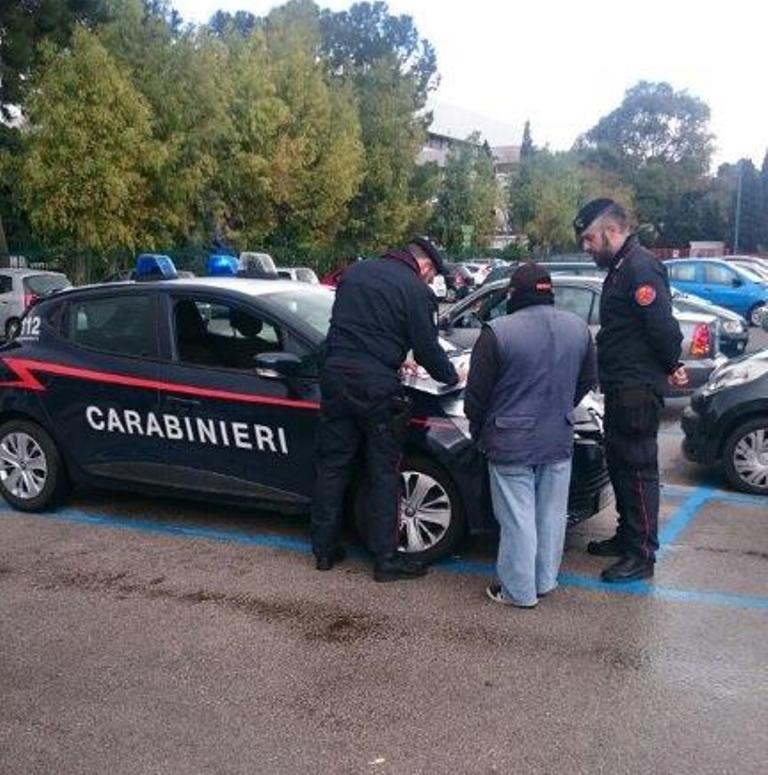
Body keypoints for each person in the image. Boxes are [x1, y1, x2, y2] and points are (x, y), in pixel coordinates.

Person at [310, 238, 460, 582]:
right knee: (384, 471)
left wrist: (393, 355)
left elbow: (347, 331)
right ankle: (386, 559)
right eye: (431, 274)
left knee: (332, 465)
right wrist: (451, 377)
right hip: (377, 388)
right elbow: (427, 348)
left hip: (336, 379)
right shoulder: (416, 291)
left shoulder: (354, 274)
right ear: (424, 266)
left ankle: (324, 550)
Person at [465, 263, 597, 608]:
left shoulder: (498, 332)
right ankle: (544, 581)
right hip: (557, 436)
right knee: (551, 516)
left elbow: (476, 396)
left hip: (509, 441)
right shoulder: (578, 328)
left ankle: (518, 592)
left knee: (517, 520)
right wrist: (561, 407)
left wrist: (478, 429)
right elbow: (586, 380)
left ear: (513, 294)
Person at [573, 198, 688, 583]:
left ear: (610, 230)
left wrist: (672, 365)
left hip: (637, 387)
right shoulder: (621, 266)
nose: (586, 247)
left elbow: (662, 327)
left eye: (589, 239)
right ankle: (627, 536)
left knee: (637, 469)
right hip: (623, 386)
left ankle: (642, 554)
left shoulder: (640, 267)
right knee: (621, 465)